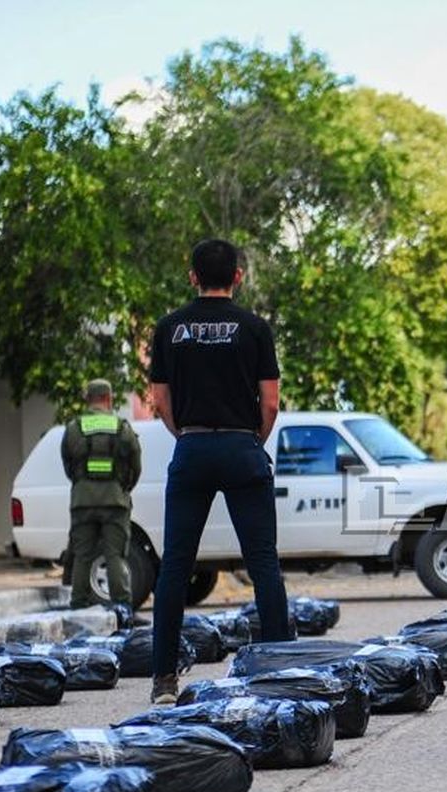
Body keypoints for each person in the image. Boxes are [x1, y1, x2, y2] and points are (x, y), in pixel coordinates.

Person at [148, 238, 290, 705]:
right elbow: (269, 402)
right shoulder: (254, 329)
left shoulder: (169, 329)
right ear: (237, 277)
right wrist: (251, 442)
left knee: (175, 566)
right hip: (241, 446)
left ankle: (165, 682)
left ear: (192, 277)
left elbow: (160, 402)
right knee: (263, 561)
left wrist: (186, 435)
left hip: (191, 446)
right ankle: (277, 671)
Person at [61, 379, 141, 608]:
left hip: (82, 502)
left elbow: (68, 465)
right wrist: (123, 488)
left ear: (89, 399)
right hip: (115, 502)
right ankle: (122, 608)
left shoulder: (74, 428)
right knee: (114, 555)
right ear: (108, 398)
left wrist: (83, 485)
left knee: (82, 555)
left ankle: (78, 606)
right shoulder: (122, 428)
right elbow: (136, 466)